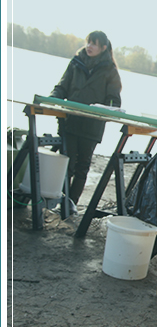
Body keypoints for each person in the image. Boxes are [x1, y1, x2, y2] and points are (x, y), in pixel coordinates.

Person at [49, 31, 122, 210]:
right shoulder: (76, 63)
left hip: (92, 126)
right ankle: (57, 199)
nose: (89, 46)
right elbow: (62, 87)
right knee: (67, 162)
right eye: (88, 42)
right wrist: (51, 99)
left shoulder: (110, 70)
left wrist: (106, 108)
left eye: (94, 44)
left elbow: (114, 100)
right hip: (70, 121)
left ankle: (70, 203)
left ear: (103, 48)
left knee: (82, 165)